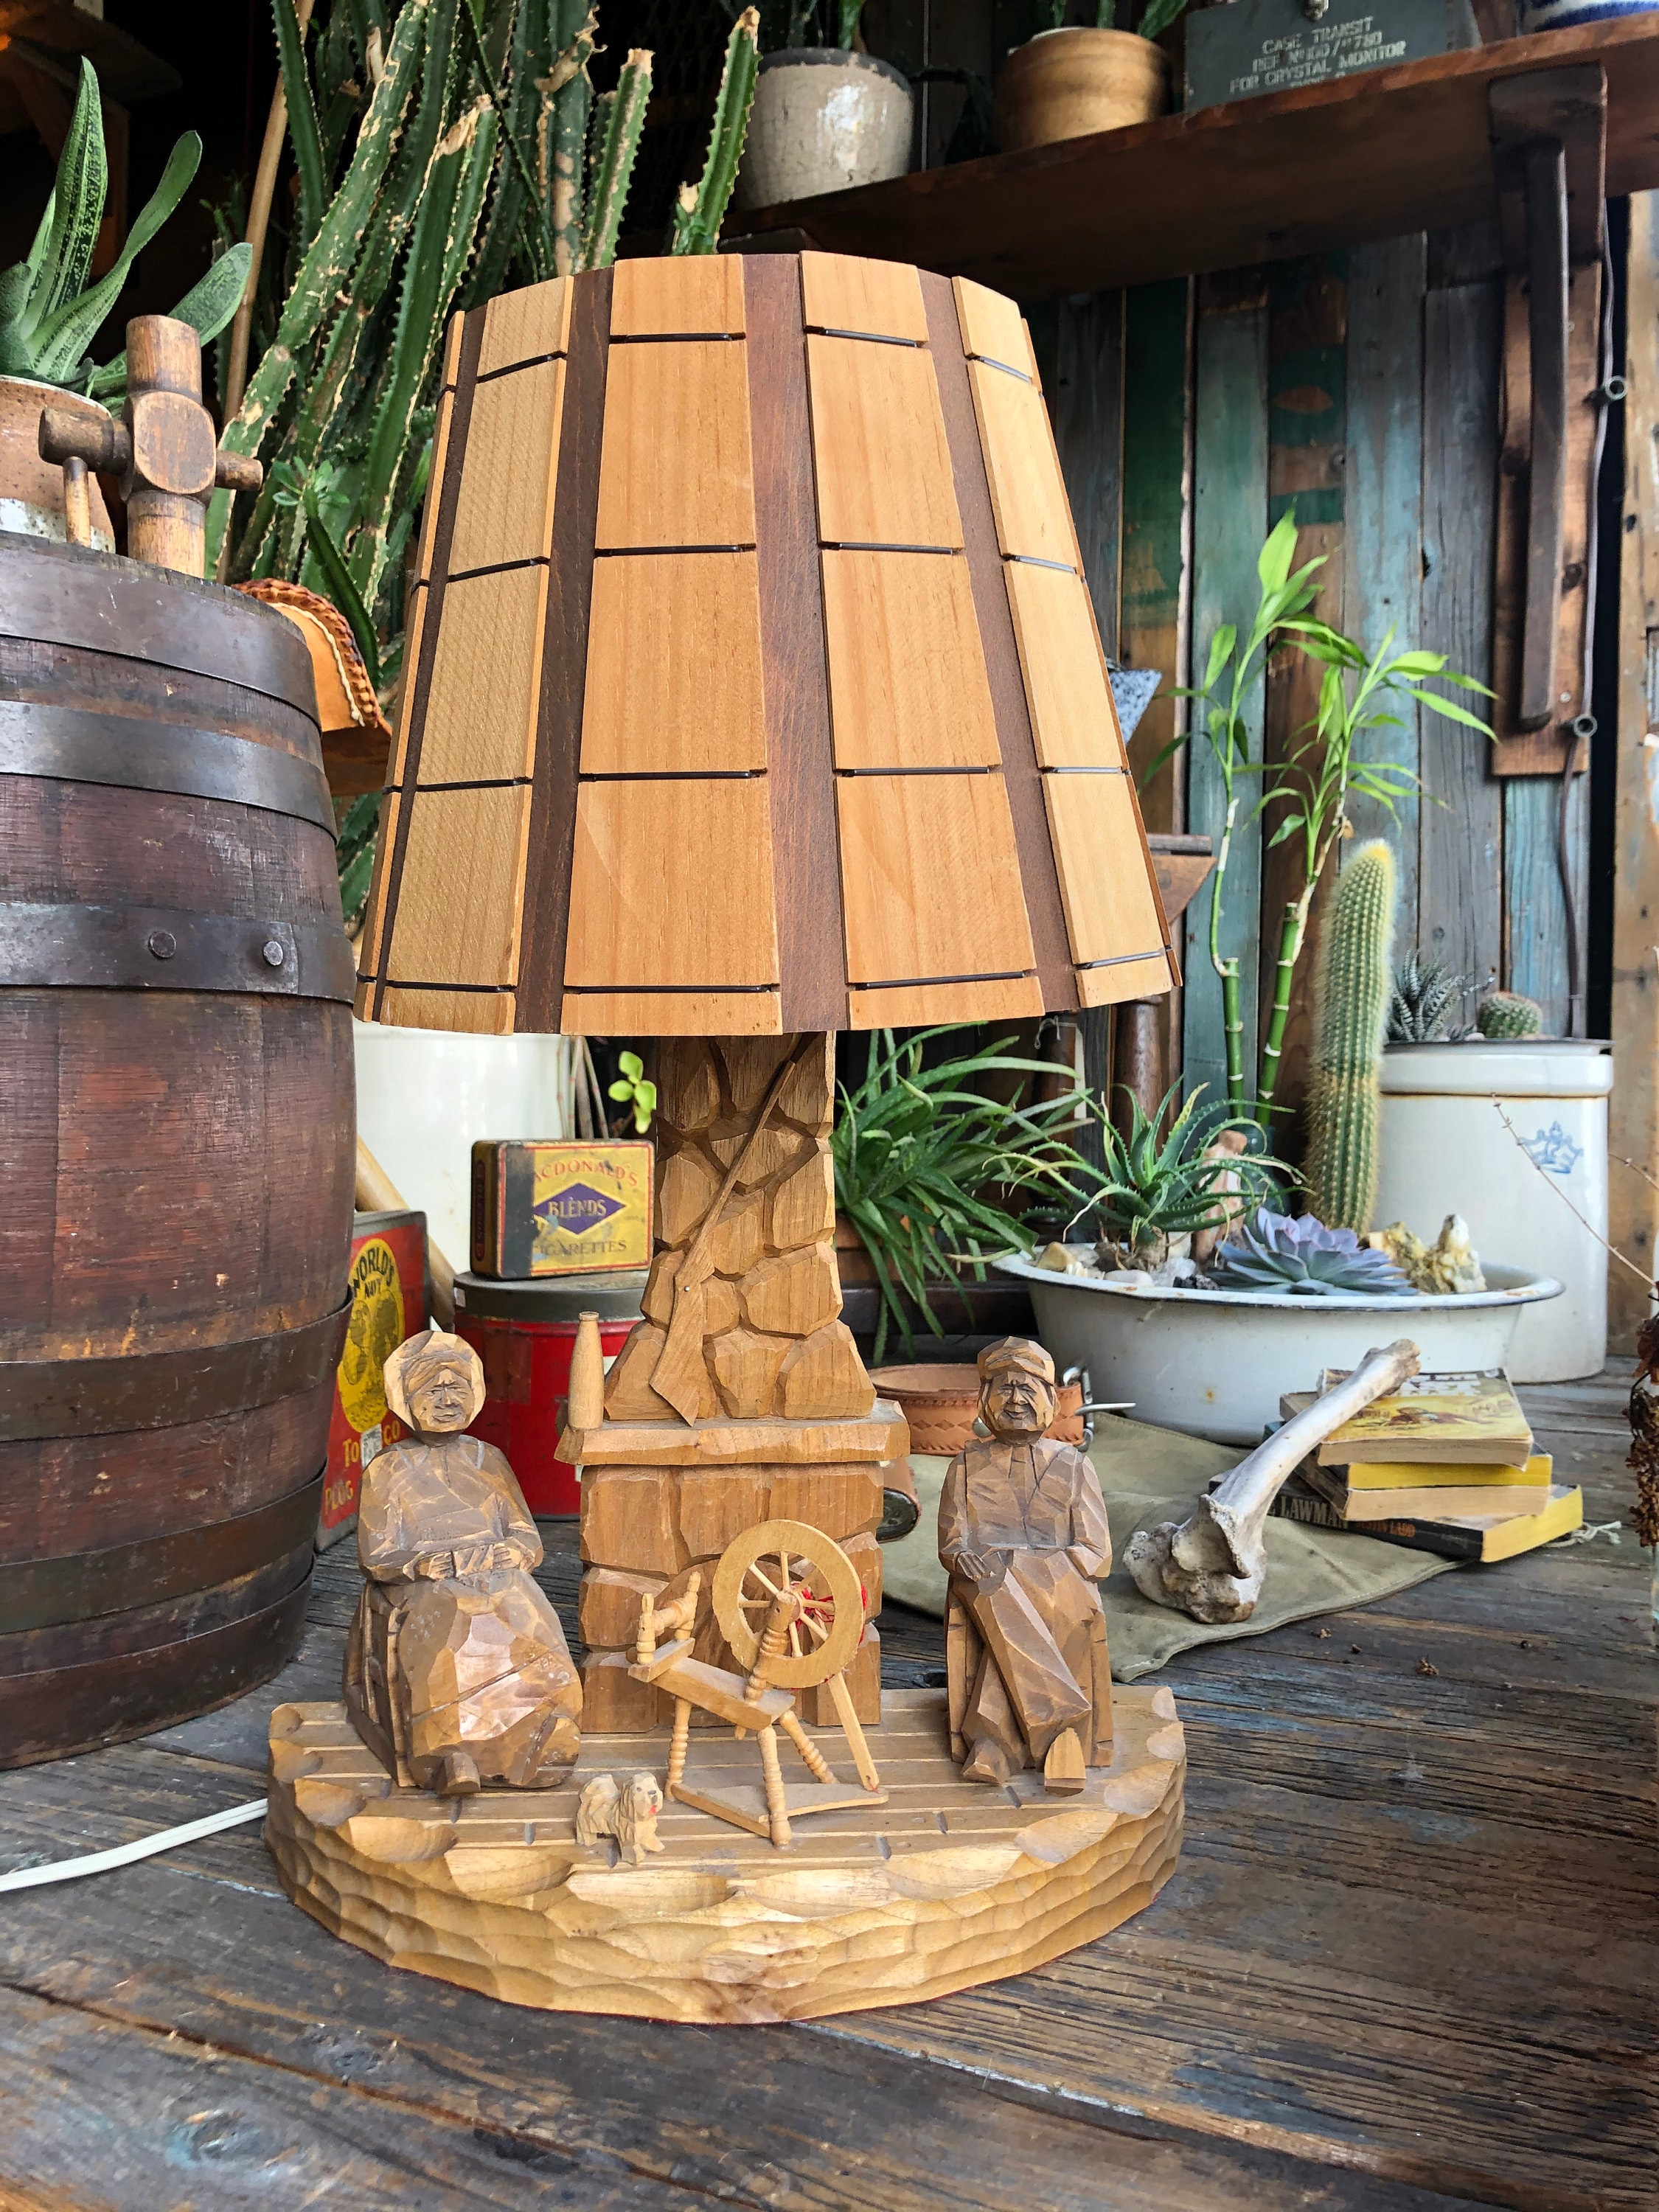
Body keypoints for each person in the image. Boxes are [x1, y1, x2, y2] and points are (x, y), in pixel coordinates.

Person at [344, 1329, 582, 1796]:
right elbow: (377, 1556)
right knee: (451, 1617)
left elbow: (527, 1536)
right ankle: (447, 1752)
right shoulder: (387, 1469)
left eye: (457, 1388)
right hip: (426, 1584)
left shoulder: (487, 1458)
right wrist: (421, 1565)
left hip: (495, 1575)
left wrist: (513, 1551)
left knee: (525, 1607)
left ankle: (542, 1728)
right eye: (433, 1390)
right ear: (407, 1399)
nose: (448, 1401)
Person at [937, 1337, 1113, 1788]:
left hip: (1060, 1581)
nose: (1016, 1400)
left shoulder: (1074, 1465)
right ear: (985, 1399)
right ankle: (1061, 1734)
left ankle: (995, 1742)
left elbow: (1097, 1554)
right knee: (996, 1582)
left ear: (1050, 1399)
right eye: (1005, 1388)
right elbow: (952, 1544)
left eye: (1027, 1388)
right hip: (984, 1579)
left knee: (1032, 1592)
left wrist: (1037, 1567)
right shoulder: (965, 1466)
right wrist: (964, 1558)